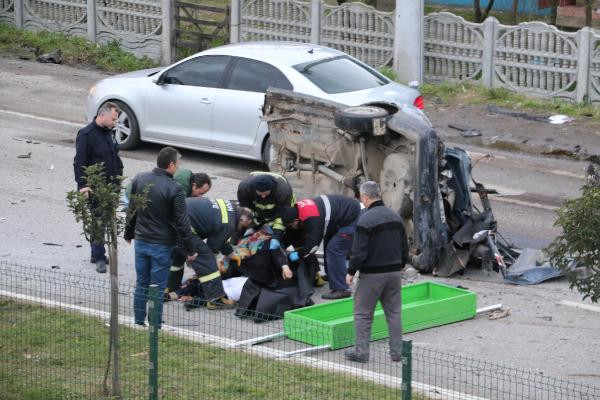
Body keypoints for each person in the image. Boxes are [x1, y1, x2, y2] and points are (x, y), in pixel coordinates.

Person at [124, 146, 197, 327]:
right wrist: (190, 249)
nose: (178, 168)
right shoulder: (175, 189)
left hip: (141, 241)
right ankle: (155, 324)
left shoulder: (140, 178)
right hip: (162, 245)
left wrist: (128, 233)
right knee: (157, 285)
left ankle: (139, 321)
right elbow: (182, 223)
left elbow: (132, 209)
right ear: (171, 165)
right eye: (178, 164)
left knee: (142, 282)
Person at [344, 181, 409, 363]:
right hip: (395, 273)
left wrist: (350, 271)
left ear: (365, 197)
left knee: (363, 314)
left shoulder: (365, 220)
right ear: (379, 194)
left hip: (372, 276)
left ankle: (361, 352)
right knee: (394, 314)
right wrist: (402, 263)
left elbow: (359, 252)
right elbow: (404, 246)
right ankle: (397, 353)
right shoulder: (395, 217)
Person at [73, 101, 124, 274]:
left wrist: (117, 186)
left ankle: (98, 253)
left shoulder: (110, 133)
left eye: (116, 119)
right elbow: (79, 163)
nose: (115, 122)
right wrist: (84, 186)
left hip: (110, 188)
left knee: (107, 220)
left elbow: (116, 159)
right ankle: (99, 257)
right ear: (102, 115)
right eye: (113, 119)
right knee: (98, 222)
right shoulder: (86, 134)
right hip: (95, 188)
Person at [280, 194, 361, 300]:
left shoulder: (312, 218)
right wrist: (282, 246)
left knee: (334, 249)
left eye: (291, 226)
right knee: (329, 245)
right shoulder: (297, 211)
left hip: (352, 218)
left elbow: (312, 247)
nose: (292, 228)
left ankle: (341, 289)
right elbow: (292, 233)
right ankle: (333, 275)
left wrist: (294, 255)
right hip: (338, 217)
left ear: (296, 221)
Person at [180, 197, 254, 309]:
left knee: (177, 254)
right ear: (242, 219)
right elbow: (213, 247)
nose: (241, 229)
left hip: (176, 218)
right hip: (184, 226)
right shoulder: (229, 224)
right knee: (207, 259)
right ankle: (215, 299)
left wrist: (230, 254)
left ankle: (169, 287)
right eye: (243, 226)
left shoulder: (231, 209)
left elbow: (219, 236)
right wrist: (210, 267)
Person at [237, 171, 295, 246]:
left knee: (277, 233)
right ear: (254, 189)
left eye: (266, 194)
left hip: (280, 208)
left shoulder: (283, 192)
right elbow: (245, 211)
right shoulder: (244, 188)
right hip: (256, 208)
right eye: (260, 194)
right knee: (243, 225)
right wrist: (251, 226)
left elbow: (282, 215)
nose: (263, 197)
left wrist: (277, 236)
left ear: (271, 189)